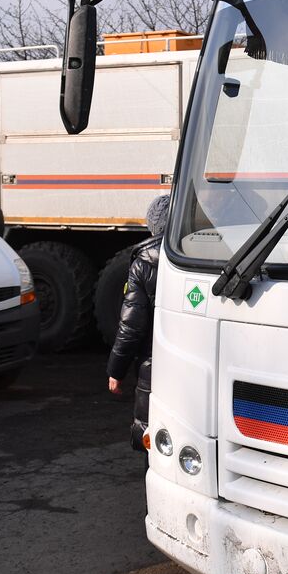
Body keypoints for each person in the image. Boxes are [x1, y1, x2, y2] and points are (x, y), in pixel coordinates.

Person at [107, 193, 169, 450]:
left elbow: (131, 327)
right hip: (191, 360)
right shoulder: (200, 255)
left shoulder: (143, 264)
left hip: (151, 365)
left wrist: (116, 370)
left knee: (151, 433)